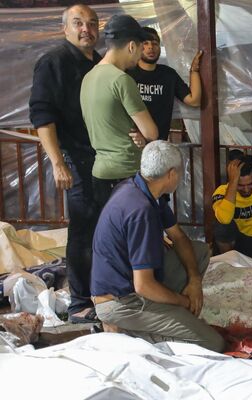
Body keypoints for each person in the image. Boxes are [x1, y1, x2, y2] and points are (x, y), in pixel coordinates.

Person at [91, 140, 224, 351]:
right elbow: (143, 286)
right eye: (180, 173)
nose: (180, 178)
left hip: (131, 286)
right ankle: (126, 333)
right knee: (213, 343)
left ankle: (165, 316)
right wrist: (183, 302)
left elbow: (179, 237)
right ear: (171, 174)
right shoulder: (141, 211)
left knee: (198, 251)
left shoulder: (140, 189)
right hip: (121, 302)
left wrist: (194, 280)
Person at [29, 4, 101, 323]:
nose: (86, 28)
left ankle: (103, 291)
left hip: (105, 157)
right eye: (78, 23)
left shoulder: (100, 64)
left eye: (92, 23)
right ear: (66, 29)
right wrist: (58, 162)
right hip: (75, 155)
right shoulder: (53, 63)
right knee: (83, 227)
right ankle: (80, 303)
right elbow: (42, 115)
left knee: (104, 226)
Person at [81, 14, 158, 209]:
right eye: (141, 48)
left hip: (100, 173)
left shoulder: (88, 78)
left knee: (112, 235)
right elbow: (151, 133)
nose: (141, 54)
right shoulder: (122, 80)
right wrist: (143, 134)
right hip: (126, 173)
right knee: (133, 236)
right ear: (131, 46)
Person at [127, 27, 202, 141]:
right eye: (145, 43)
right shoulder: (127, 74)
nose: (151, 47)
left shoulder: (168, 75)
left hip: (158, 146)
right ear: (136, 46)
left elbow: (194, 101)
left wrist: (194, 71)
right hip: (131, 145)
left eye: (155, 43)